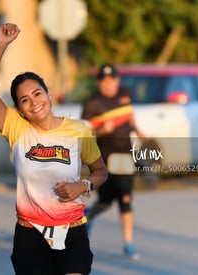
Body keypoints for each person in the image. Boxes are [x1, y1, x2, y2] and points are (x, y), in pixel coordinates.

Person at [0, 23, 108, 275]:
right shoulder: (16, 129)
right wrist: (0, 45)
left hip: (72, 230)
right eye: (25, 100)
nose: (34, 102)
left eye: (37, 93)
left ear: (49, 93)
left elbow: (101, 172)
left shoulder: (79, 130)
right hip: (30, 234)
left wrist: (83, 186)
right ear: (19, 109)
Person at [81, 63, 145, 260]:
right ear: (99, 83)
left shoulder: (125, 94)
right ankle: (89, 216)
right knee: (106, 201)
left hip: (125, 156)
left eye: (112, 80)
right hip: (104, 159)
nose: (109, 84)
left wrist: (138, 130)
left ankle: (128, 243)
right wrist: (101, 131)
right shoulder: (92, 103)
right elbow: (84, 132)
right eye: (104, 81)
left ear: (117, 80)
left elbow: (129, 116)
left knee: (126, 198)